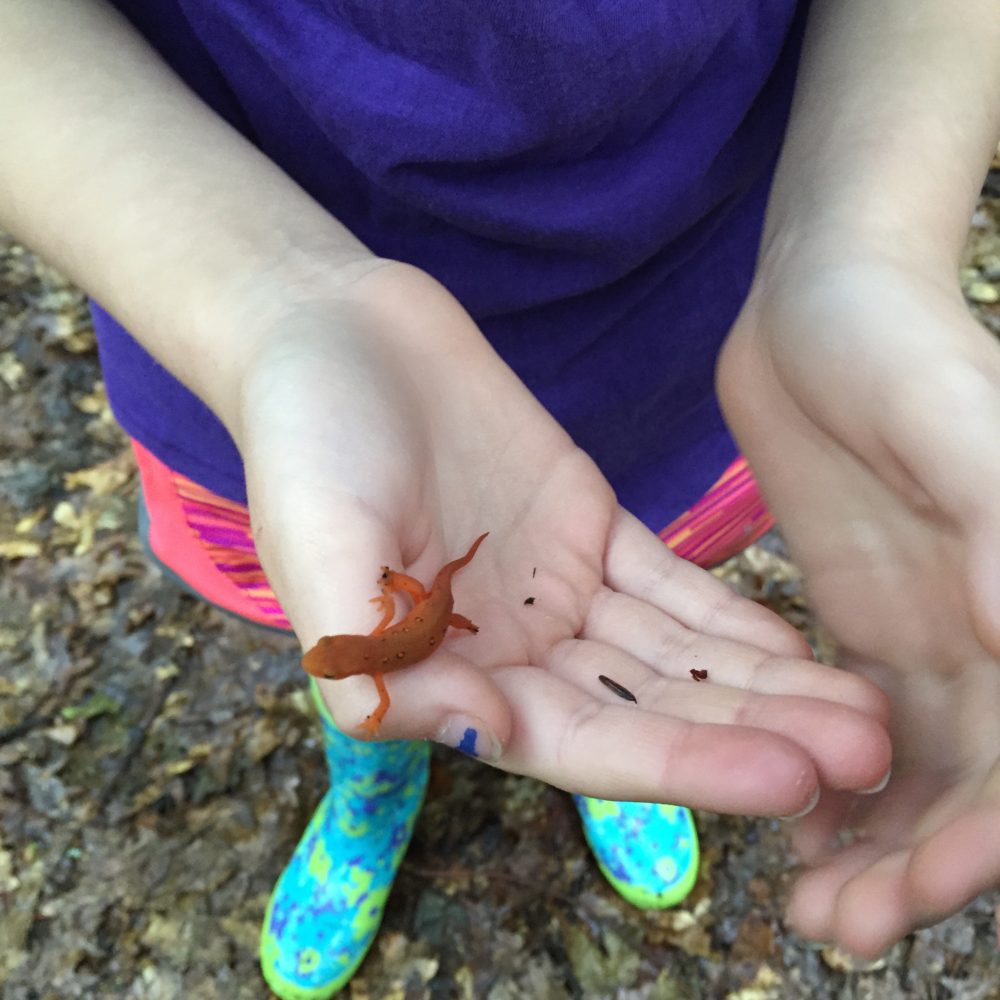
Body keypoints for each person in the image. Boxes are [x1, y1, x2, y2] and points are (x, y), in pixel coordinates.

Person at [1, 0, 997, 996]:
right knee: (344, 622)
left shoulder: (416, 614)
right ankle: (373, 776)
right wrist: (274, 301)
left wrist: (861, 246)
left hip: (688, 351)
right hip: (259, 355)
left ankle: (598, 744)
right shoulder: (376, 636)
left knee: (612, 595)